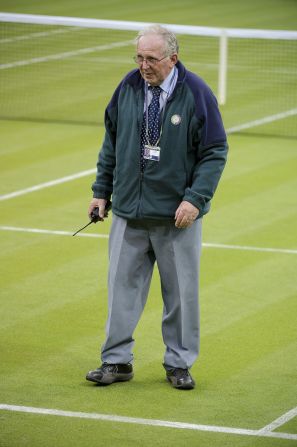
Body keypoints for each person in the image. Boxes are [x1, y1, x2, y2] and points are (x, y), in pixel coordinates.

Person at [86, 24, 228, 390]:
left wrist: (195, 199)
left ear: (173, 59)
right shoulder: (129, 86)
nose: (143, 66)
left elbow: (214, 151)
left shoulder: (196, 92)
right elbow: (111, 141)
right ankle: (116, 361)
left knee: (181, 295)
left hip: (176, 219)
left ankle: (178, 364)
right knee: (120, 291)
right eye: (139, 57)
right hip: (129, 215)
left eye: (151, 59)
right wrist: (102, 191)